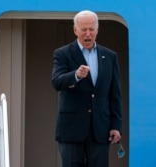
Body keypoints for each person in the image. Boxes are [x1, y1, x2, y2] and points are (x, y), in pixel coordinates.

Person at [51, 10, 123, 167]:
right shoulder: (63, 54)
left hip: (100, 129)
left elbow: (115, 94)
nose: (88, 34)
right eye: (84, 30)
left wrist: (116, 126)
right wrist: (75, 75)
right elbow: (56, 82)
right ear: (75, 30)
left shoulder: (110, 56)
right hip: (71, 129)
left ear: (97, 30)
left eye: (91, 29)